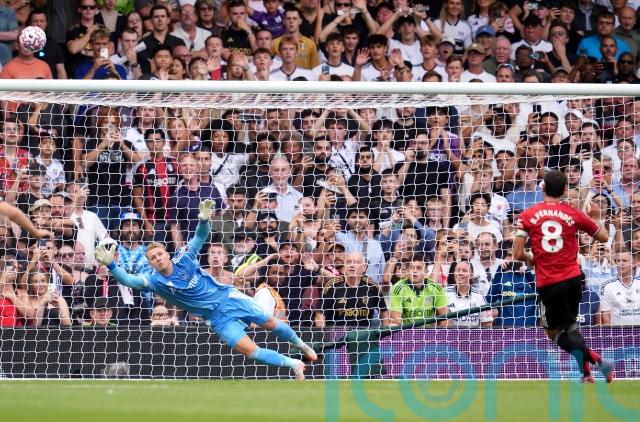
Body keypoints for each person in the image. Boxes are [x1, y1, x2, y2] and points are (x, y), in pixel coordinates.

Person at [95, 199, 317, 380]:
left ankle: (302, 346)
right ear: (150, 263)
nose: (158, 258)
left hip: (229, 298)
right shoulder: (154, 281)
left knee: (268, 322)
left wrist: (203, 219)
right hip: (217, 318)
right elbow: (128, 280)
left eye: (160, 254)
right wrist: (111, 264)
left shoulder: (185, 258)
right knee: (250, 351)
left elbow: (200, 236)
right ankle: (294, 364)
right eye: (153, 258)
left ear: (167, 254)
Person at [514, 169, 614, 383]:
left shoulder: (528, 215)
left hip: (550, 283)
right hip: (574, 280)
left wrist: (531, 257)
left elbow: (517, 253)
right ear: (565, 190)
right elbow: (605, 237)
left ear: (542, 187)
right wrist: (595, 217)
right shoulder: (573, 213)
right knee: (570, 326)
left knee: (553, 333)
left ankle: (598, 360)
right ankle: (586, 374)